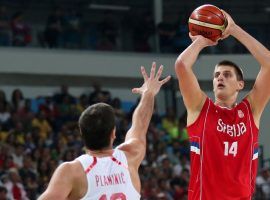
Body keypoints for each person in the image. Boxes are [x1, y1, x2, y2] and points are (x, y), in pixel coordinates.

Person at [38, 62, 171, 200]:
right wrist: (148, 93)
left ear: (82, 134)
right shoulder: (131, 156)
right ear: (113, 133)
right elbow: (141, 124)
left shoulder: (72, 172)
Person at [174, 10, 270, 199]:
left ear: (240, 84)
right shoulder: (200, 108)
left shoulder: (251, 110)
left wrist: (234, 29)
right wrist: (202, 40)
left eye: (227, 75)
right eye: (217, 75)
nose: (220, 78)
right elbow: (182, 65)